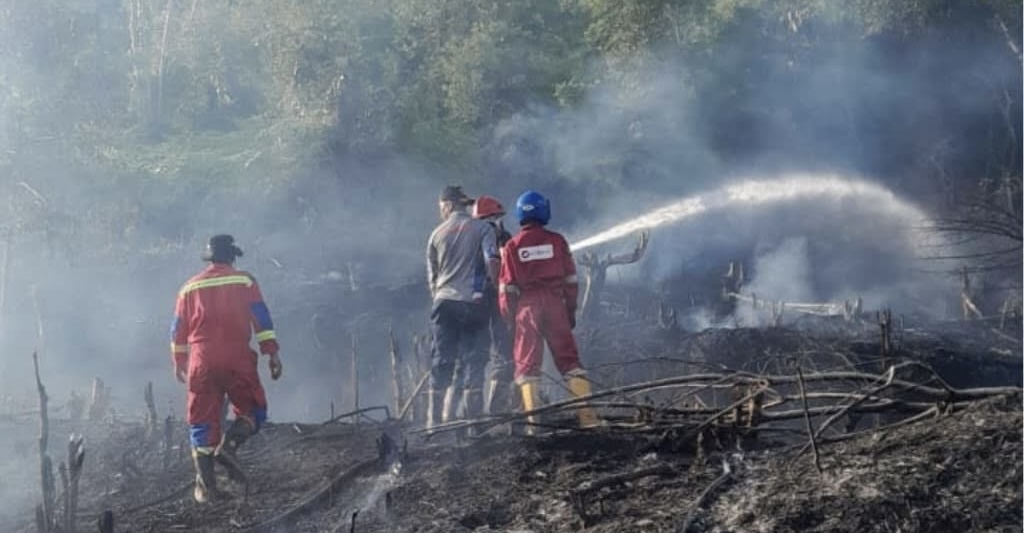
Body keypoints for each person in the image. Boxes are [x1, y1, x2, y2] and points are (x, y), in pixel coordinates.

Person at [170, 234, 283, 503]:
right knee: (254, 410)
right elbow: (262, 319)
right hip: (236, 356)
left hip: (201, 359)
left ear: (208, 258)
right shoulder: (244, 280)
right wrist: (272, 353)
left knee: (201, 421)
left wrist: (179, 362)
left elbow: (177, 329)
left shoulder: (188, 287)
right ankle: (229, 447)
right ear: (232, 257)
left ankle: (207, 489)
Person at [498, 191, 598, 434]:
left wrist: (510, 320)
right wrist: (570, 312)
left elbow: (506, 289)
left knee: (526, 365)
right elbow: (571, 281)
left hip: (526, 308)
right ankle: (587, 419)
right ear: (544, 210)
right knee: (570, 361)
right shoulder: (557, 241)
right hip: (555, 305)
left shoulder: (512, 246)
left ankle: (534, 425)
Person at [426, 186, 499, 430]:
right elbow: (493, 261)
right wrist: (494, 289)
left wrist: (441, 298)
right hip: (472, 303)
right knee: (474, 359)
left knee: (442, 359)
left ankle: (433, 424)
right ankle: (474, 423)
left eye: (441, 208)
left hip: (443, 303)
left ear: (447, 205)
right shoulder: (484, 229)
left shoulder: (435, 234)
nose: (441, 211)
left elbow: (432, 279)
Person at [471, 195, 515, 415]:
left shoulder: (470, 237)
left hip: (479, 302)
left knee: (489, 355)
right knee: (501, 353)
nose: (497, 221)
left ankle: (483, 414)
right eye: (494, 218)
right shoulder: (483, 237)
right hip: (493, 301)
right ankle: (492, 413)